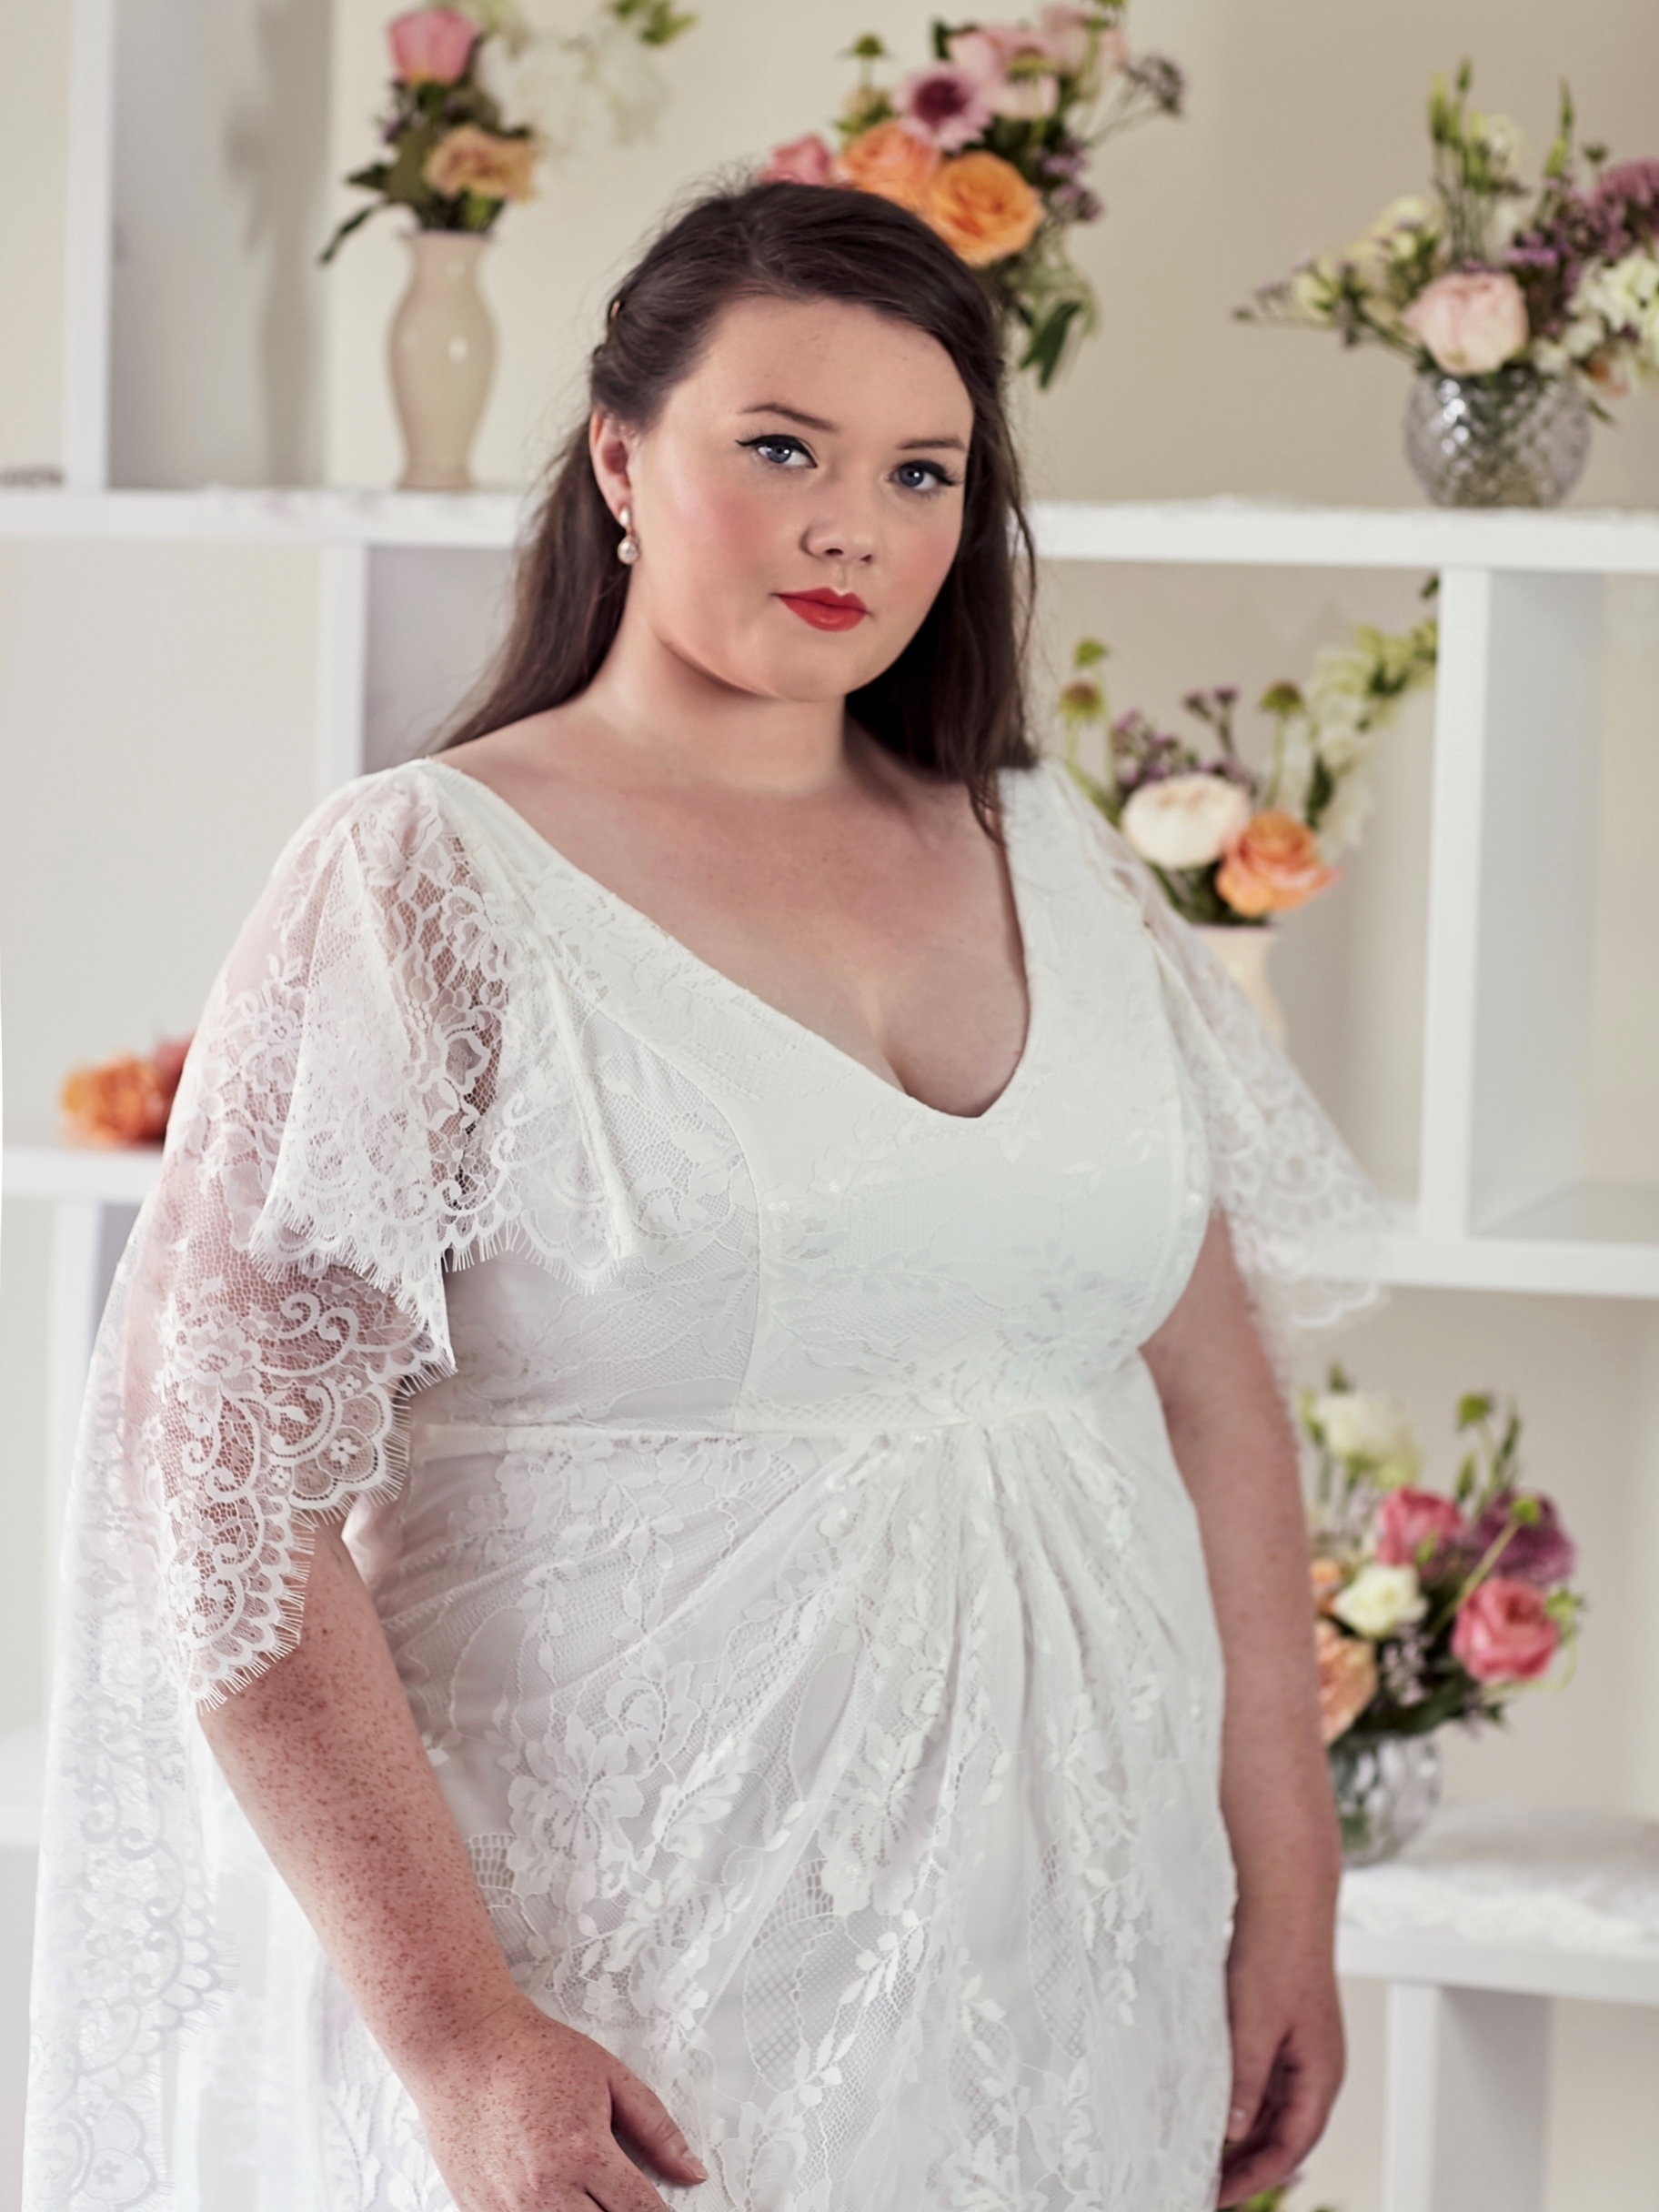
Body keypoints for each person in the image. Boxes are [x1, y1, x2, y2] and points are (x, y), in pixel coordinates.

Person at [24, 180, 1382, 2212]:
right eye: (782, 449)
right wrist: (459, 2035)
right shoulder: (427, 877)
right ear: (618, 459)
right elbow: (221, 1493)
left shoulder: (1054, 856)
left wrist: (1290, 1891)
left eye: (920, 472)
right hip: (631, 2004)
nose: (854, 528)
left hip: (1083, 1976)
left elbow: (1216, 1402)